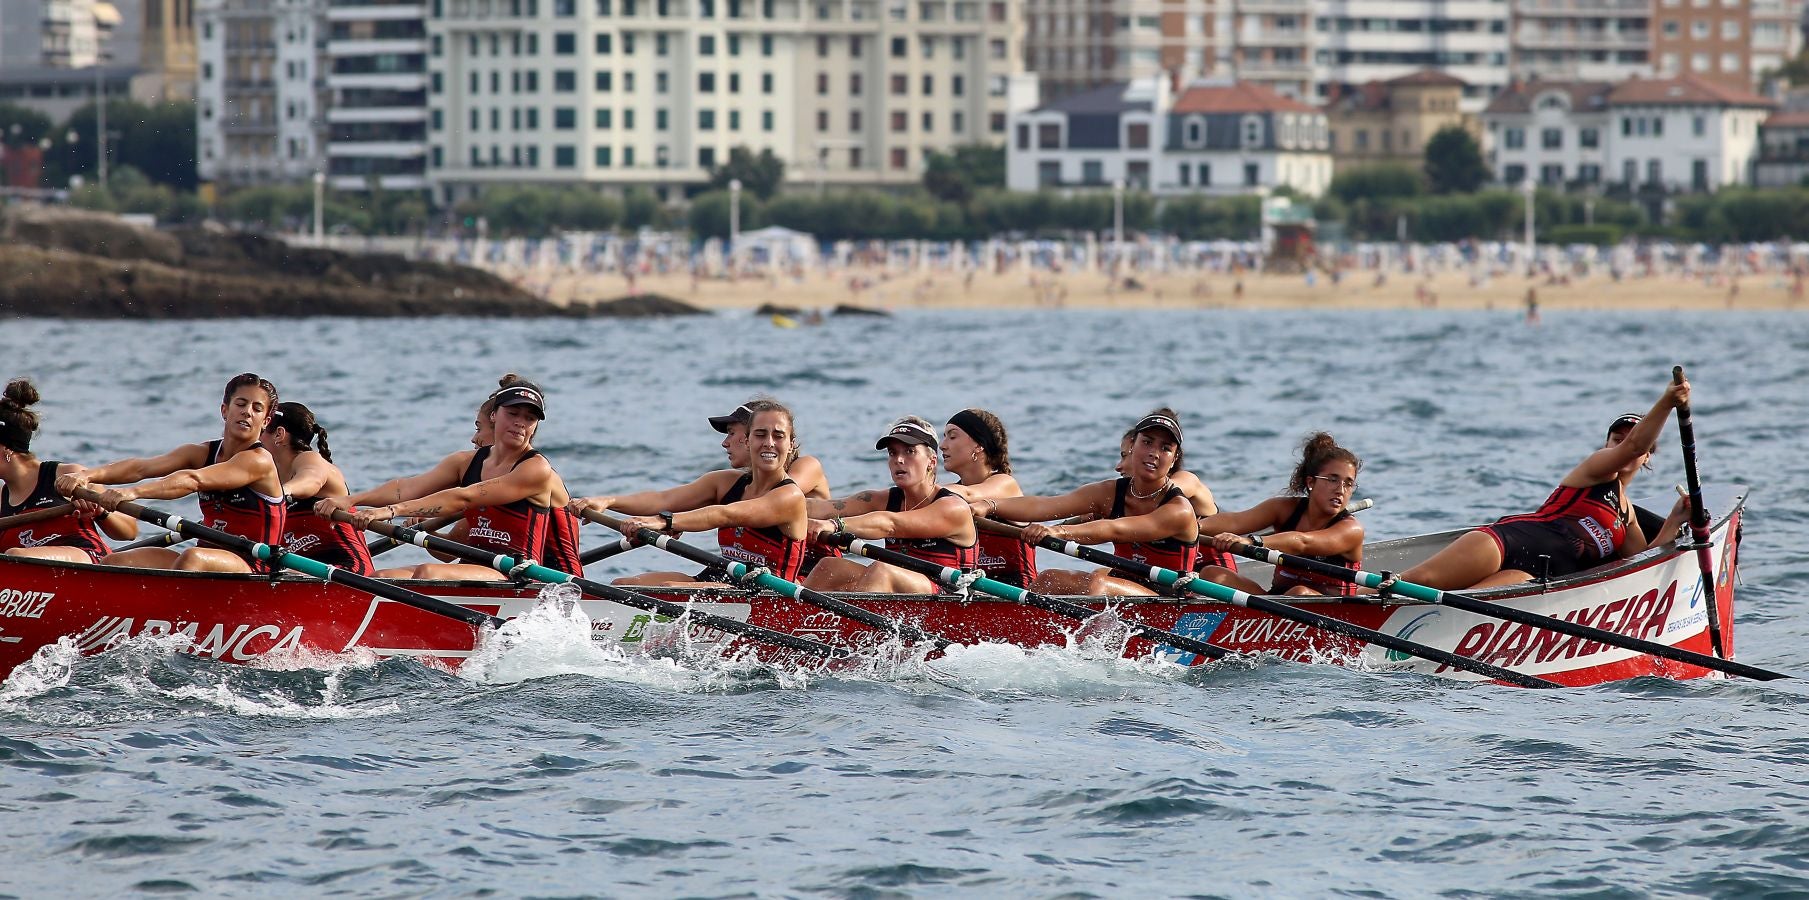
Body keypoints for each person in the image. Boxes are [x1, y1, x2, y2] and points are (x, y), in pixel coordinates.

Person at [1392, 377, 1693, 591]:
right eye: (1617, 440)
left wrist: (1676, 519)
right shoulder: (1597, 470)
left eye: (1634, 442)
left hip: (1529, 575)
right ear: (1607, 445)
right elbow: (1633, 447)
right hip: (1506, 543)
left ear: (1648, 457)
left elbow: (1640, 561)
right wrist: (1667, 402)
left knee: (1456, 609)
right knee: (1415, 584)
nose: (1624, 445)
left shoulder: (1628, 519)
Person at [319, 380, 563, 581]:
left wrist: (391, 511)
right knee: (380, 576)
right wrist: (350, 500)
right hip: (472, 567)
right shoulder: (464, 462)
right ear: (494, 415)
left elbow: (463, 498)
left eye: (530, 418)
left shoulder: (536, 468)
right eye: (513, 413)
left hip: (515, 574)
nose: (520, 423)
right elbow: (407, 488)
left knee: (428, 573)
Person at [56, 373, 286, 573]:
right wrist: (86, 475)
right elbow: (141, 467)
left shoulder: (258, 460)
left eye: (257, 409)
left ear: (265, 421)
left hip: (254, 565)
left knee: (192, 557)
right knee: (116, 561)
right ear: (225, 410)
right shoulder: (201, 452)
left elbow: (193, 480)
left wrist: (132, 493)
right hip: (208, 559)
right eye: (241, 404)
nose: (247, 412)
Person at [567, 399, 808, 587]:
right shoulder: (724, 482)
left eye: (778, 436)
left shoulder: (789, 496)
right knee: (625, 584)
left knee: (669, 589)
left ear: (790, 445)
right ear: (747, 441)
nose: (769, 443)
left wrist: (663, 521)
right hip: (719, 578)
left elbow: (726, 514)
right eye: (760, 435)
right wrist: (607, 501)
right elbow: (663, 499)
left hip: (767, 591)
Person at [978, 409, 1199, 596]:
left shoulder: (1179, 510)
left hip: (1167, 597)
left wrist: (1058, 532)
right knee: (1048, 578)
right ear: (1133, 446)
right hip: (1122, 585)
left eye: (1165, 448)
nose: (1154, 453)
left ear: (1174, 459)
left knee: (1097, 584)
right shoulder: (1109, 492)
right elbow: (1045, 505)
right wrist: (988, 506)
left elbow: (1115, 529)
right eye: (1147, 442)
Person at [801, 417, 978, 593]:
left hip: (950, 594)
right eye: (893, 453)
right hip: (905, 590)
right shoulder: (883, 499)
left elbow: (890, 524)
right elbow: (821, 508)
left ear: (931, 461)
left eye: (909, 451)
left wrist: (834, 524)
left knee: (882, 571)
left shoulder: (953, 508)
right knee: (829, 567)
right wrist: (789, 506)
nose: (899, 459)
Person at [1196, 433, 1365, 596]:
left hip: (1330, 607)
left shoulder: (1352, 530)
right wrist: (1193, 527)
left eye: (1348, 484)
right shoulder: (1284, 509)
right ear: (1311, 482)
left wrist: (1251, 542)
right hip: (1275, 602)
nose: (1340, 490)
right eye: (1332, 480)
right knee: (1212, 574)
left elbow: (1302, 542)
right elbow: (1236, 521)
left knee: (1299, 592)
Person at [0, 377, 137, 562]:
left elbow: (130, 531)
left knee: (16, 556)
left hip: (87, 558)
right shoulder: (1, 499)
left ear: (7, 449)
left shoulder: (68, 475)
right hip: (29, 573)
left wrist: (100, 512)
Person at [264, 402, 373, 575]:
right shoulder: (268, 476)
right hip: (301, 573)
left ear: (279, 434)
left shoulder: (308, 459)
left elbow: (312, 479)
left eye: (261, 430)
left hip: (348, 572)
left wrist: (281, 493)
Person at [937, 409, 1035, 588]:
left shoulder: (1005, 484)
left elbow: (969, 494)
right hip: (969, 590)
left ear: (979, 445)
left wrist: (921, 493)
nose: (942, 445)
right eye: (944, 437)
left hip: (1018, 592)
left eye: (952, 437)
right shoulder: (950, 493)